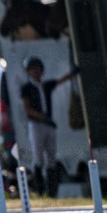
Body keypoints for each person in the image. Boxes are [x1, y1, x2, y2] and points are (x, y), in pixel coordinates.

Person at [19, 55, 78, 197]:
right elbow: (27, 109)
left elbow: (61, 80)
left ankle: (52, 191)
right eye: (33, 70)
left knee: (51, 157)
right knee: (38, 157)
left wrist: (73, 73)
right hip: (36, 123)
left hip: (48, 124)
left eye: (38, 69)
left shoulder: (46, 85)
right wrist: (42, 117)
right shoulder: (26, 88)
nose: (36, 72)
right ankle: (40, 189)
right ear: (29, 72)